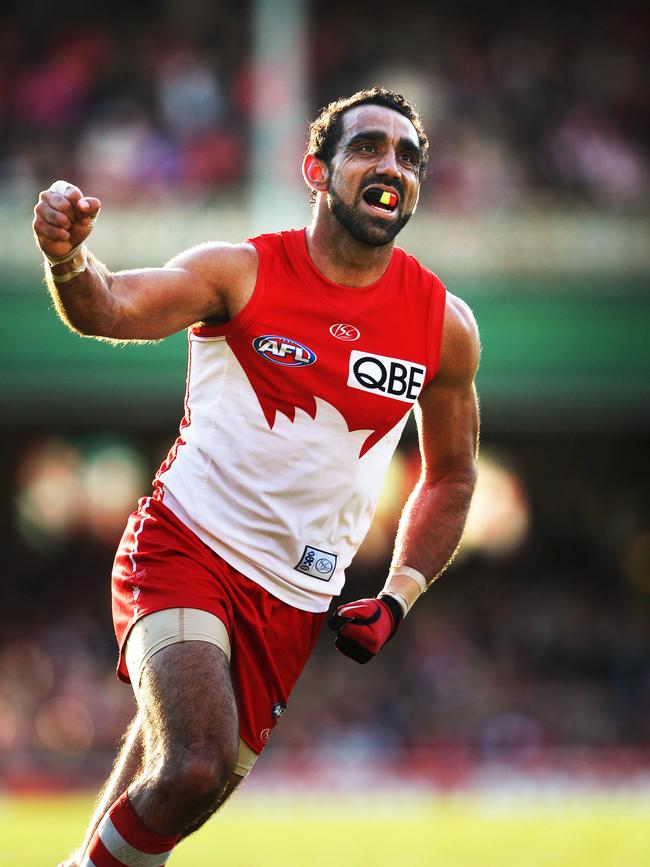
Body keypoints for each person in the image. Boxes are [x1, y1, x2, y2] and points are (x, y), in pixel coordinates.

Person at [33, 87, 480, 867]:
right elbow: (105, 308)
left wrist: (399, 594)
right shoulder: (237, 272)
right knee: (195, 759)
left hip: (295, 602)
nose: (392, 166)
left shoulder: (443, 325)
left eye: (409, 156)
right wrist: (68, 255)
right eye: (369, 147)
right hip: (186, 547)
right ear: (317, 168)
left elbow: (452, 476)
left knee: (183, 793)